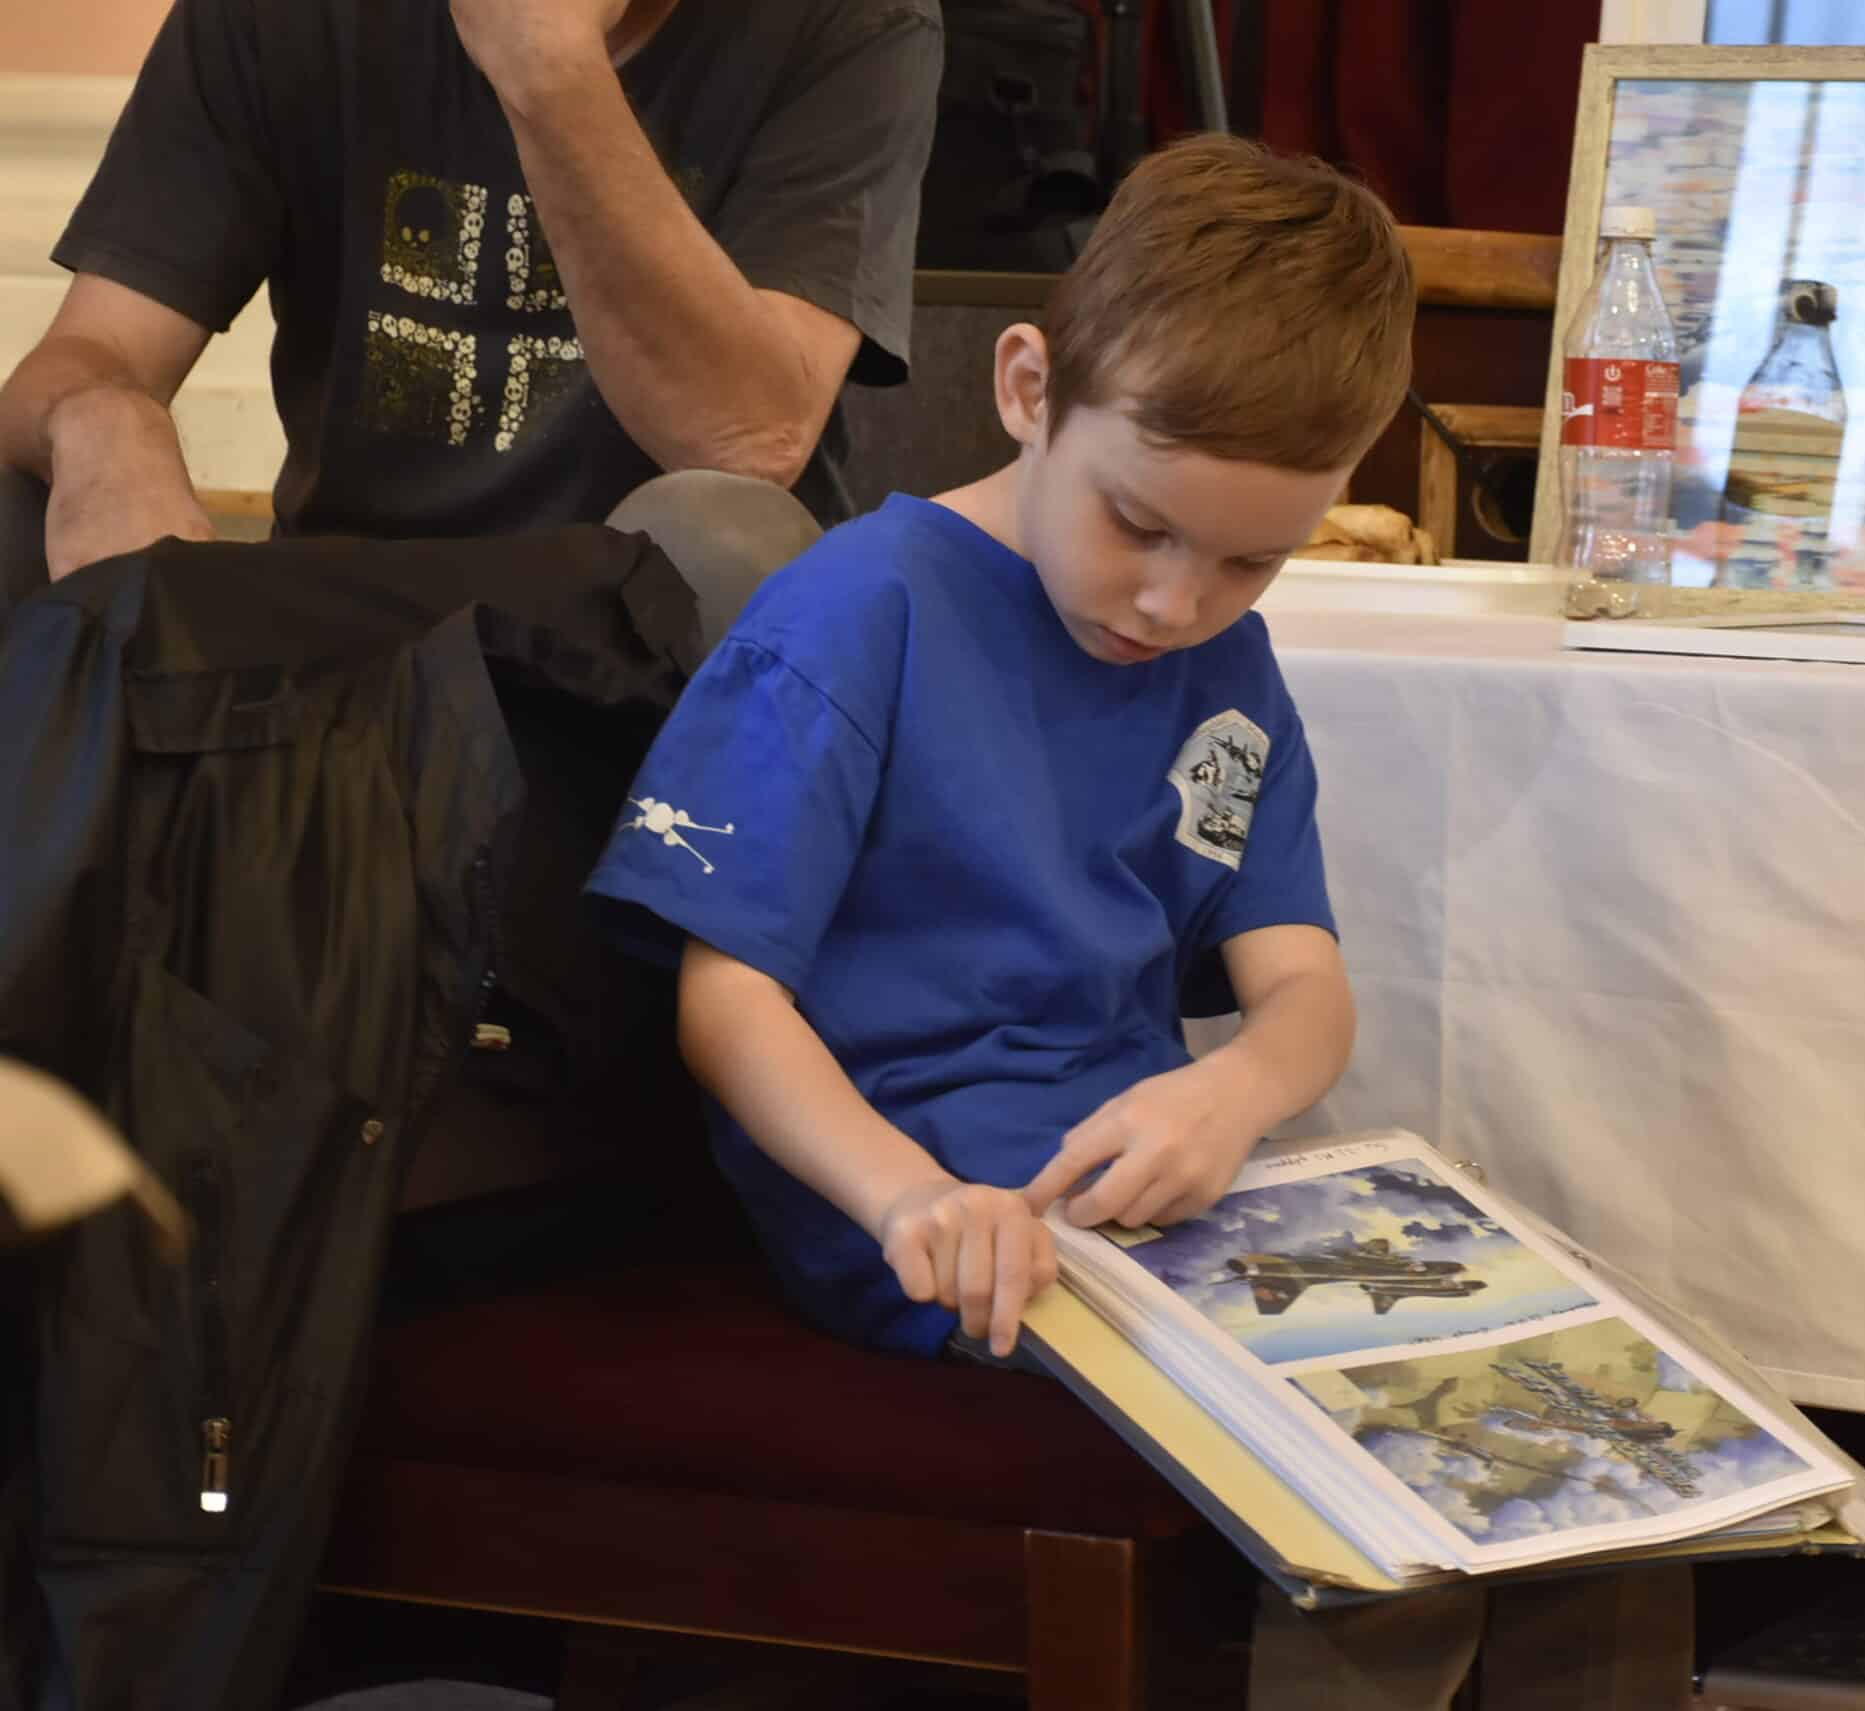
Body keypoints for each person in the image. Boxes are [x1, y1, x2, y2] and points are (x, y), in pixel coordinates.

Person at [583, 131, 1693, 1711]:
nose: (1176, 601)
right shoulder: (862, 608)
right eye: (1140, 525)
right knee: (1391, 1467)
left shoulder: (1221, 667)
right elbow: (727, 997)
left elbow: (1303, 991)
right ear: (1027, 388)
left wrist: (1228, 1092)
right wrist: (911, 1197)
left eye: (1252, 559)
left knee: (1617, 1448)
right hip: (939, 1214)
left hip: (1148, 1217)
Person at [0, 0, 940, 631]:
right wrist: (104, 418)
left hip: (646, 639)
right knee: (30, 493)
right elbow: (94, 346)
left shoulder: (853, 21)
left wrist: (549, 69)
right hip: (354, 617)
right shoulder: (282, 18)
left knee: (736, 541)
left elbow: (747, 440)